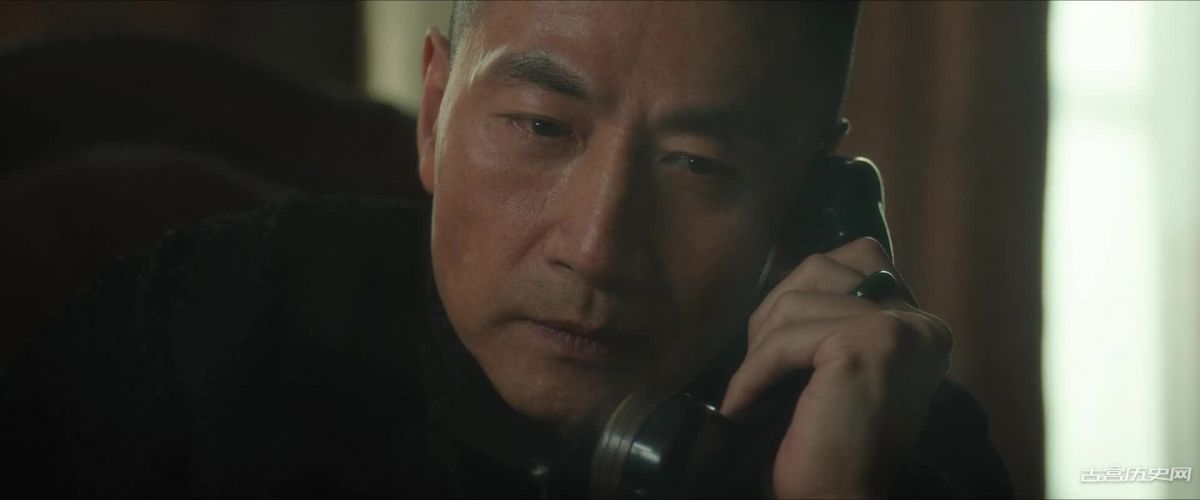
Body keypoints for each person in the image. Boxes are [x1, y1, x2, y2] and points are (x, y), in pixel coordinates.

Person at [3, 2, 1012, 498]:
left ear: (806, 198)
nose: (595, 248)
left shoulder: (900, 441)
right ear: (435, 110)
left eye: (698, 164)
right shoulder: (214, 320)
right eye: (539, 125)